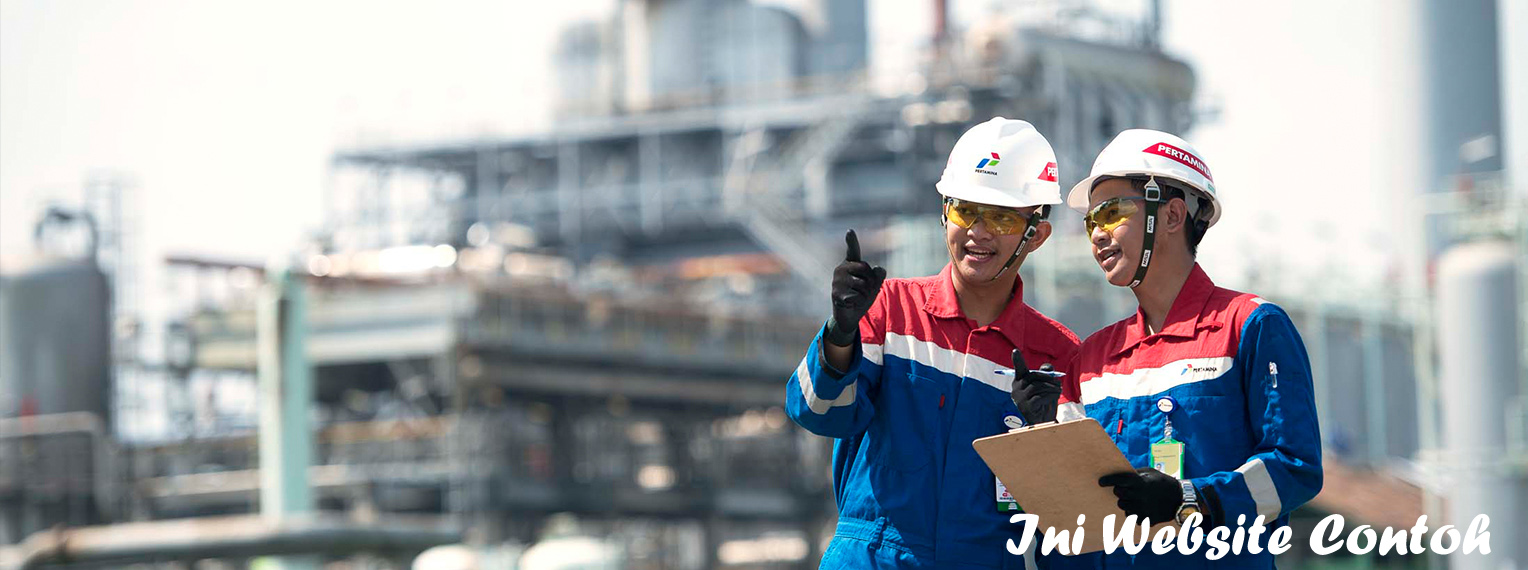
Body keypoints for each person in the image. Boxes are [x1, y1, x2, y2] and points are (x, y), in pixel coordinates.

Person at [785, 117, 1083, 569]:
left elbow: (1069, 521)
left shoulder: (1057, 356)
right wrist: (840, 334)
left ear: (1036, 235)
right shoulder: (890, 311)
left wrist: (1045, 436)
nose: (978, 231)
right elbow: (816, 411)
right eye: (966, 210)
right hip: (872, 558)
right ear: (944, 212)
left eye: (1001, 217)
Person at [1050, 130, 1323, 568]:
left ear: (1173, 215)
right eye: (1091, 222)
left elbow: (1295, 468)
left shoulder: (1251, 326)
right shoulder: (1090, 359)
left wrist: (1192, 499)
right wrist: (1040, 424)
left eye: (1112, 212)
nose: (1097, 234)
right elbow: (1068, 497)